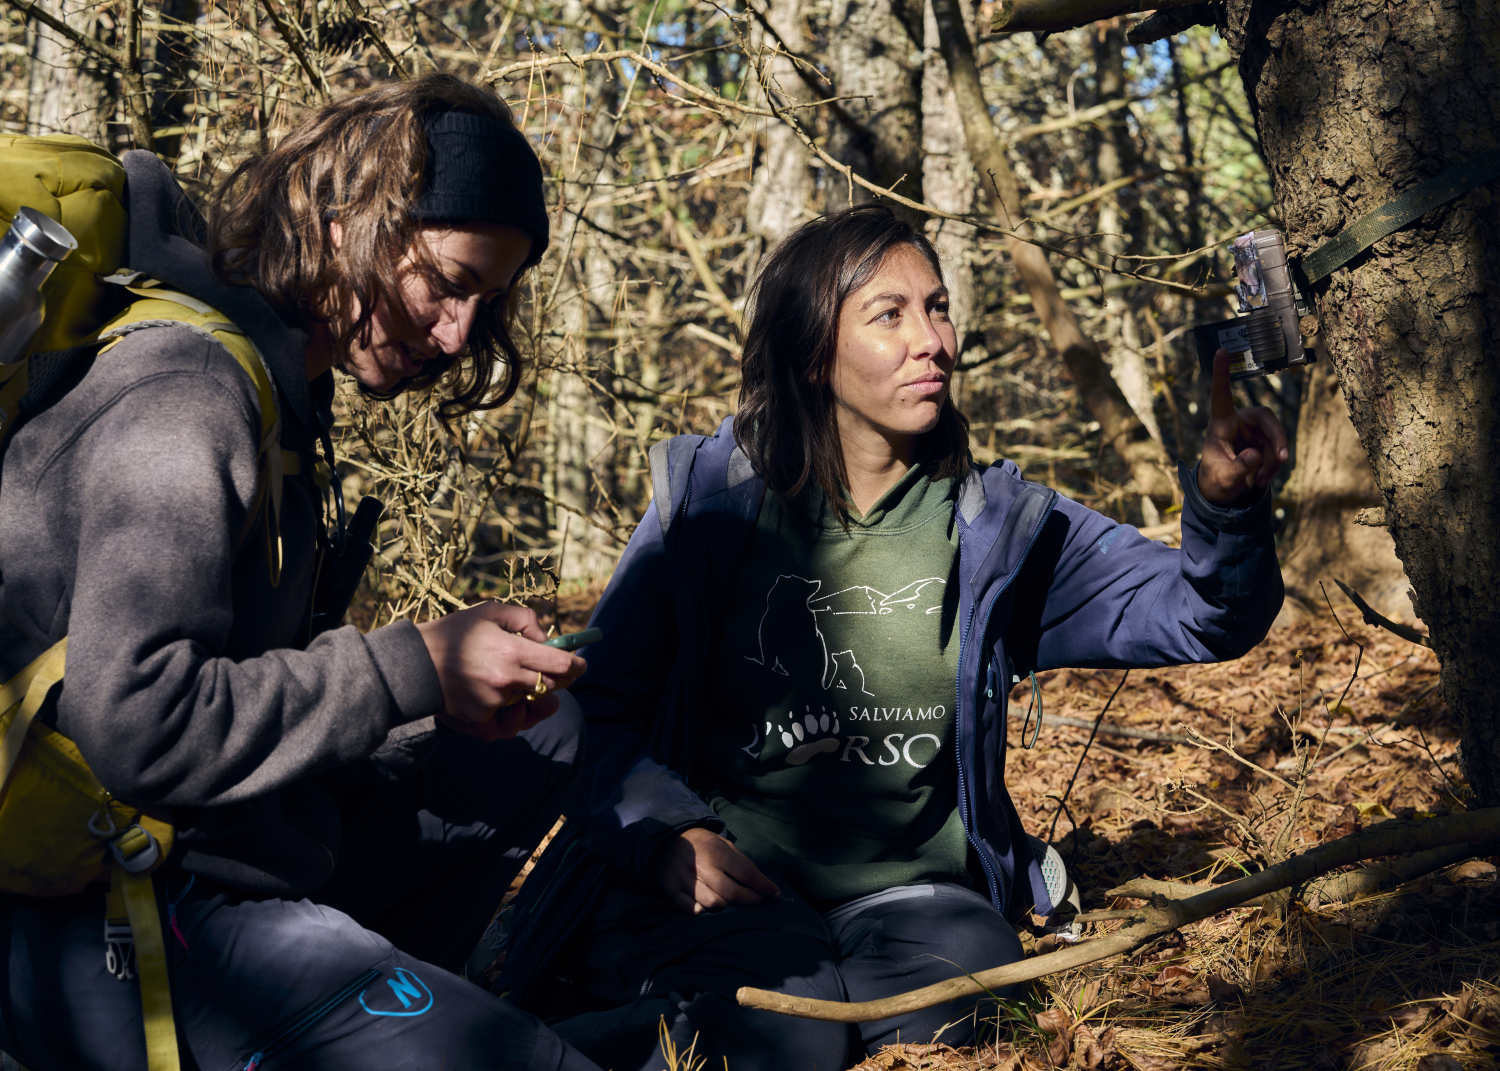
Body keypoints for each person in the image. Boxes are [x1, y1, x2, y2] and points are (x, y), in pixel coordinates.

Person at [496, 204, 1288, 1071]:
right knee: (783, 1033)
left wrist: (1225, 503)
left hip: (915, 901)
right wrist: (669, 839)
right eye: (890, 314)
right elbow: (597, 709)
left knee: (964, 1008)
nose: (934, 340)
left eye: (938, 306)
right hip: (730, 889)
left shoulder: (998, 528)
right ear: (811, 355)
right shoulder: (715, 505)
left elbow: (1200, 613)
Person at [0, 75, 604, 1070]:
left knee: (536, 742)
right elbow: (136, 725)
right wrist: (410, 667)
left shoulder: (287, 392)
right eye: (446, 283)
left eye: (483, 302)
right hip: (93, 913)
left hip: (208, 848)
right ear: (343, 225)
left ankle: (384, 1007)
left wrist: (428, 698)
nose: (457, 334)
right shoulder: (186, 391)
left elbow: (239, 672)